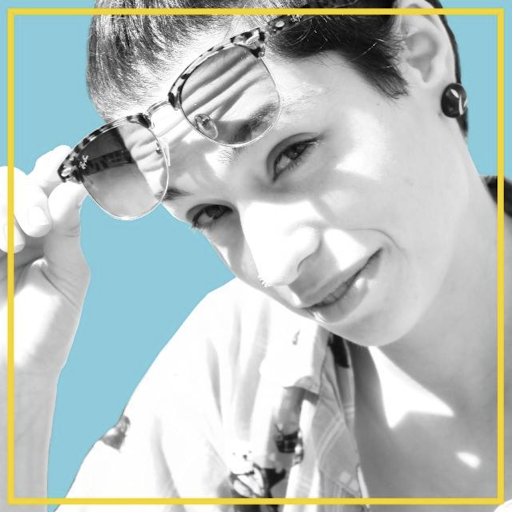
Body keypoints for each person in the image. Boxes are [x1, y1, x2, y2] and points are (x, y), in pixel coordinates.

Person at [0, 0, 510, 510]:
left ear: (416, 52)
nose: (275, 264)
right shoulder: (233, 368)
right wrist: (19, 388)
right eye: (211, 214)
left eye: (292, 154)